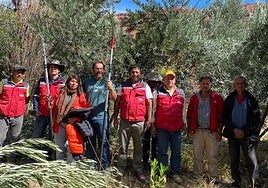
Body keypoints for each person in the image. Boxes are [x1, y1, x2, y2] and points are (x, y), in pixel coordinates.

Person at [113, 66, 152, 183]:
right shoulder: (123, 86)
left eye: (137, 72)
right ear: (129, 73)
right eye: (132, 72)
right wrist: (115, 117)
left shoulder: (145, 86)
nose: (135, 74)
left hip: (139, 121)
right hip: (125, 121)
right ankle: (120, 169)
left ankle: (138, 170)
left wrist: (149, 119)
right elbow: (117, 102)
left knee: (138, 147)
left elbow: (149, 103)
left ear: (140, 74)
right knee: (123, 147)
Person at [222, 76, 261, 188]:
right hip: (232, 134)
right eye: (237, 83)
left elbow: (256, 119)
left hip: (247, 135)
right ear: (234, 85)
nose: (239, 85)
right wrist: (234, 129)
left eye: (242, 83)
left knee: (251, 159)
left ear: (246, 85)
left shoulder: (251, 100)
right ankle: (236, 182)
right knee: (234, 159)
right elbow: (224, 118)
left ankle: (254, 182)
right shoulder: (229, 99)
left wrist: (244, 130)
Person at [187, 76, 224, 183]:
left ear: (211, 85)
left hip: (211, 131)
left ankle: (213, 178)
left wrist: (219, 132)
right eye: (203, 83)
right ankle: (198, 177)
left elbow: (221, 117)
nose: (205, 86)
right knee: (197, 155)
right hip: (197, 130)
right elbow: (189, 115)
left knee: (212, 156)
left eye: (207, 84)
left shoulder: (217, 98)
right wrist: (190, 129)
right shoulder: (194, 98)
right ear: (200, 84)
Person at [151, 70, 185, 182]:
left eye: (172, 78)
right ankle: (162, 173)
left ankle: (175, 173)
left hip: (176, 128)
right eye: (167, 78)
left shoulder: (181, 92)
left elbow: (183, 110)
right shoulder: (158, 92)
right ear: (164, 80)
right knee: (162, 152)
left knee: (176, 152)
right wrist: (153, 126)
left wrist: (184, 124)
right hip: (162, 128)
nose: (170, 80)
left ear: (175, 79)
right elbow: (154, 110)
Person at [83, 61, 117, 170]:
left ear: (104, 70)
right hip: (88, 116)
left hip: (102, 116)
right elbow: (82, 97)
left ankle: (104, 166)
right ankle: (91, 165)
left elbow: (114, 98)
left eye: (101, 68)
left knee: (103, 142)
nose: (99, 70)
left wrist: (110, 88)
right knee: (90, 142)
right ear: (93, 70)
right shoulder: (87, 82)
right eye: (97, 68)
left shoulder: (107, 82)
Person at [53, 75, 91, 162]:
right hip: (60, 124)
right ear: (68, 82)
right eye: (72, 81)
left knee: (71, 148)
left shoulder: (80, 95)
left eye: (76, 82)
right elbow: (53, 107)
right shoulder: (60, 92)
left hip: (72, 125)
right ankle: (58, 168)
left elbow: (85, 111)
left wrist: (75, 119)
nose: (74, 83)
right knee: (59, 148)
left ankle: (70, 168)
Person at [32, 60, 65, 138]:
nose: (53, 69)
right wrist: (36, 110)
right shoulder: (42, 81)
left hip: (55, 115)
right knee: (36, 137)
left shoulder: (63, 82)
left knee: (53, 137)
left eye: (55, 67)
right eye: (51, 67)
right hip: (41, 114)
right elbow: (36, 96)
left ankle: (51, 151)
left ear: (59, 70)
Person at [0, 64, 30, 147]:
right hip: (3, 116)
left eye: (22, 73)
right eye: (17, 72)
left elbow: (26, 100)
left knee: (15, 139)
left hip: (18, 116)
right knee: (0, 138)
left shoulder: (25, 86)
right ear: (12, 72)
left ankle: (11, 159)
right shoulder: (4, 82)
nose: (19, 74)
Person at [143, 71, 162, 168]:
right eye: (152, 82)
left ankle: (154, 163)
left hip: (157, 121)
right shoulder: (145, 90)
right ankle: (145, 162)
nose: (154, 84)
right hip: (145, 120)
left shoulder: (160, 92)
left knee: (156, 143)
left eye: (157, 82)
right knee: (145, 141)